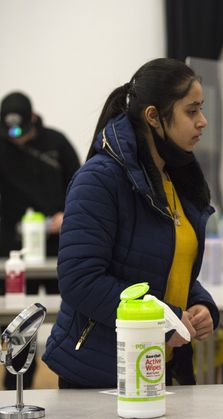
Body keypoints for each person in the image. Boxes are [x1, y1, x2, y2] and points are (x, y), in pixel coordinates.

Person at [42, 58, 220, 388]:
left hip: (156, 368)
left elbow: (163, 268)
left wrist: (200, 305)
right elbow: (80, 280)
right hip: (99, 376)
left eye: (202, 109)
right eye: (191, 111)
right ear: (153, 117)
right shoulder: (99, 180)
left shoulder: (173, 181)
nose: (203, 121)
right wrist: (163, 317)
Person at [0, 91, 80, 390]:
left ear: (32, 118)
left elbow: (81, 184)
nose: (17, 139)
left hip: (60, 247)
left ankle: (74, 381)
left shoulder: (56, 143)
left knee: (71, 316)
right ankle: (14, 389)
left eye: (22, 131)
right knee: (21, 324)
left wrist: (67, 213)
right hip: (17, 251)